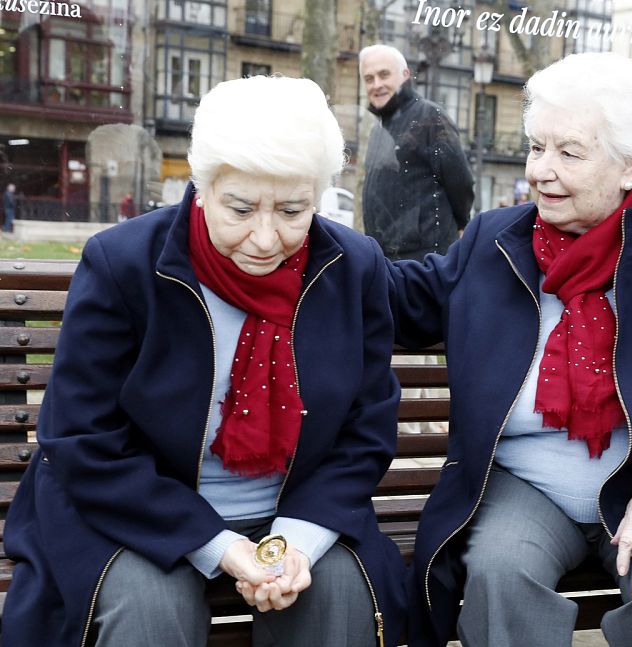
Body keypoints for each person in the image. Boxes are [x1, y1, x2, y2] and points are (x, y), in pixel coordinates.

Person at [387, 52, 632, 647]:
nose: (541, 171)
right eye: (536, 148)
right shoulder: (496, 239)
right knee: (499, 573)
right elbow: (400, 299)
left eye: (568, 153)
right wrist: (302, 233)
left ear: (629, 166)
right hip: (524, 483)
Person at [2, 75, 406, 647]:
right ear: (201, 186)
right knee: (151, 610)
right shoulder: (123, 264)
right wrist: (219, 547)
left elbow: (366, 429)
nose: (265, 238)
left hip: (294, 510)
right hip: (132, 509)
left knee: (336, 595)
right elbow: (81, 438)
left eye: (292, 210)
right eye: (240, 208)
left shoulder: (354, 267)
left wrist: (295, 543)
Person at [359, 44, 474, 262]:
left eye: (384, 75)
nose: (377, 84)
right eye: (369, 79)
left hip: (424, 262)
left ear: (405, 75)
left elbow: (460, 181)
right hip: (387, 259)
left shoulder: (430, 116)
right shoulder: (378, 128)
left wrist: (462, 224)